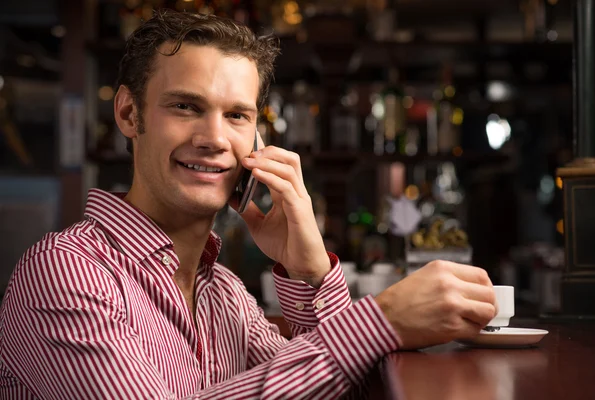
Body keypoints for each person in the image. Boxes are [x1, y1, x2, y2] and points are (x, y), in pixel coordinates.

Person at [0, 10, 497, 400]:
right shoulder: (65, 271)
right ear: (129, 114)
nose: (215, 138)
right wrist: (381, 319)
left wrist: (307, 269)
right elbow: (343, 354)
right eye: (185, 106)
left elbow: (337, 389)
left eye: (237, 115)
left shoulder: (227, 295)